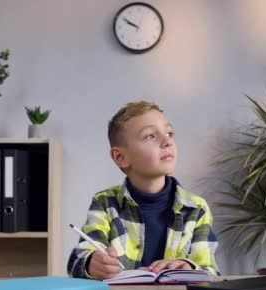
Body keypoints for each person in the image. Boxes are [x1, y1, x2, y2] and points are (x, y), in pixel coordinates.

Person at [67, 101, 220, 280]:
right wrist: (91, 263)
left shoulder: (197, 208)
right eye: (150, 136)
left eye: (169, 133)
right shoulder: (105, 203)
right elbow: (76, 261)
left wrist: (189, 267)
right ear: (120, 157)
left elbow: (210, 272)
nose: (167, 141)